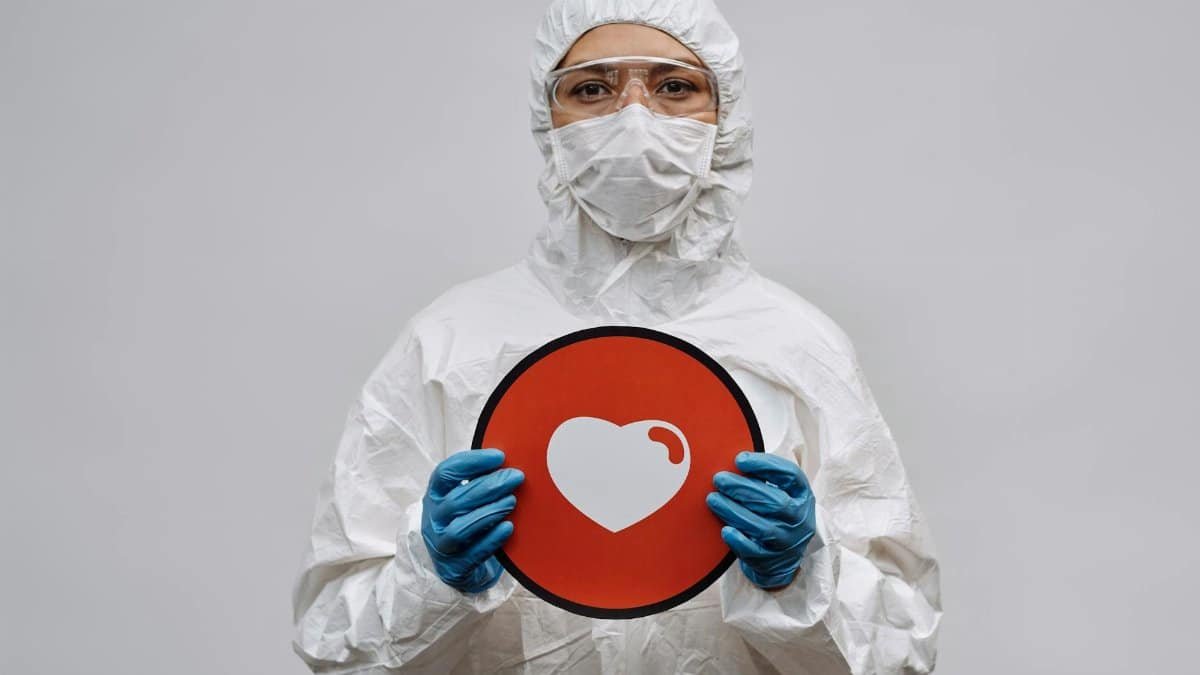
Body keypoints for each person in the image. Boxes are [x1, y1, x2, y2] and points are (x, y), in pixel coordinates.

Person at [291, 0, 942, 672]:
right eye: (593, 89)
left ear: (728, 120)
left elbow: (900, 651)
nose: (635, 118)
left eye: (674, 87)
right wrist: (432, 574)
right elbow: (336, 644)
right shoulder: (450, 343)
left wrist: (803, 573)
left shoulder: (798, 346)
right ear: (550, 122)